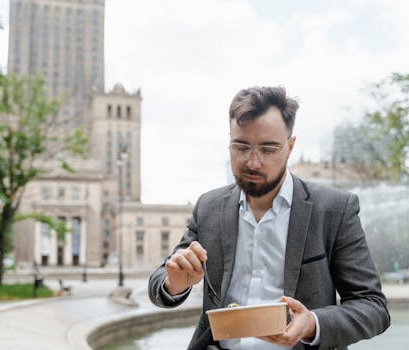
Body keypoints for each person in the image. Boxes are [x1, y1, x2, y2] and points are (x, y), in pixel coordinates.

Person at [148, 86, 390, 350]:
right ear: (229, 140)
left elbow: (373, 307)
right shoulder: (209, 206)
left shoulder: (334, 209)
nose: (253, 162)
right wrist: (174, 284)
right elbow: (161, 281)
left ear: (290, 146)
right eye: (241, 147)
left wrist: (312, 323)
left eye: (268, 149)